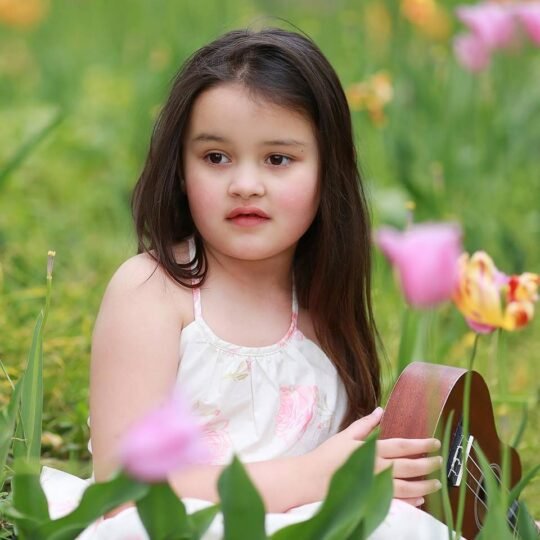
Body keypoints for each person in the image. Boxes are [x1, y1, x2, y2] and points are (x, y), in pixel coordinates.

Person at [41, 27, 461, 539]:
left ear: (328, 172)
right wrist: (315, 477)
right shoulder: (153, 291)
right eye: (215, 157)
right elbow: (123, 489)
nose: (245, 185)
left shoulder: (320, 302)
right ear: (180, 170)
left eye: (278, 159)